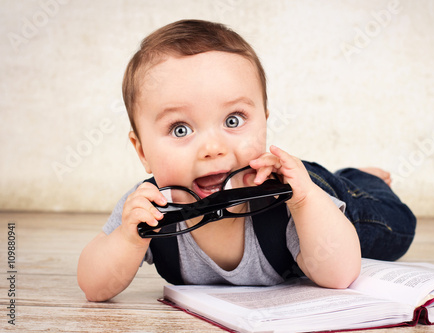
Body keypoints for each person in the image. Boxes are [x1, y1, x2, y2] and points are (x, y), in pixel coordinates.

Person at [77, 19, 416, 302]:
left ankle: (359, 181)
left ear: (264, 122)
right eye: (180, 129)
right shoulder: (150, 209)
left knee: (396, 226)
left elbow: (340, 274)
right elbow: (93, 287)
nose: (213, 148)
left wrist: (306, 200)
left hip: (312, 191)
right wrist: (128, 239)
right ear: (142, 152)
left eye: (233, 120)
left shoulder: (286, 200)